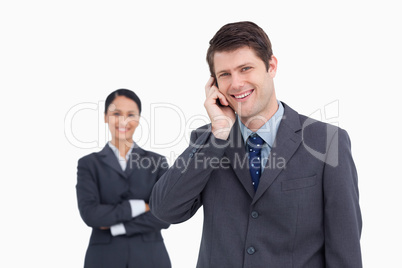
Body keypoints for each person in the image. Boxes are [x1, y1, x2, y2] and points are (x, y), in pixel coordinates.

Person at [150, 21, 362, 267]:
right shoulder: (208, 141)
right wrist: (217, 134)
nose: (236, 83)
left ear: (271, 66)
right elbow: (165, 210)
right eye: (225, 74)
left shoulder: (326, 141)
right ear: (214, 84)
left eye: (245, 68)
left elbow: (344, 248)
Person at [76, 89, 171, 268]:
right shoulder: (88, 164)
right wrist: (141, 206)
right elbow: (91, 215)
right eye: (116, 114)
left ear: (139, 119)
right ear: (105, 117)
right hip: (103, 258)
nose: (123, 121)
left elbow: (165, 216)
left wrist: (116, 227)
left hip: (151, 258)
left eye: (131, 114)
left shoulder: (157, 162)